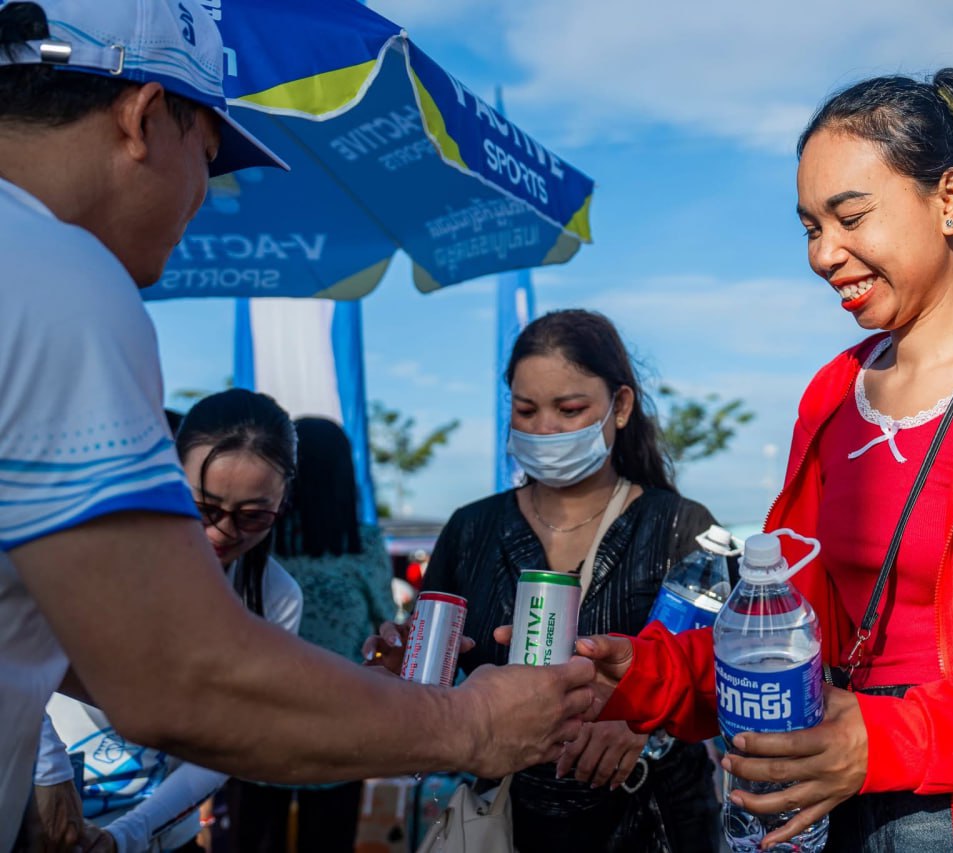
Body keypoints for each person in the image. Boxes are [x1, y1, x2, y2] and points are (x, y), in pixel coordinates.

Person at [0, 2, 592, 850]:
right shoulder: (59, 278)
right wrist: (471, 722)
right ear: (141, 118)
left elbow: (97, 656)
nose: (206, 197)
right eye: (209, 158)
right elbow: (175, 676)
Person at [575, 69, 953, 852]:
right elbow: (788, 625)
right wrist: (644, 675)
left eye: (850, 216)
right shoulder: (831, 399)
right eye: (808, 227)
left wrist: (896, 735)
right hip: (843, 807)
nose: (824, 253)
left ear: (949, 201)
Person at [425, 309, 721, 852]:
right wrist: (398, 664)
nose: (545, 429)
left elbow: (726, 675)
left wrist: (644, 726)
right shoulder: (471, 530)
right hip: (507, 822)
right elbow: (432, 671)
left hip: (655, 822)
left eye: (569, 409)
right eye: (525, 409)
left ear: (621, 407)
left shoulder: (684, 529)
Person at [37, 389, 305, 852]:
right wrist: (48, 773)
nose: (223, 532)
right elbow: (12, 659)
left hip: (158, 835)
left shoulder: (274, 597)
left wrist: (130, 833)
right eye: (204, 509)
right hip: (36, 819)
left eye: (254, 516)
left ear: (282, 503)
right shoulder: (89, 553)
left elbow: (229, 744)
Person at [224, 417, 397, 852]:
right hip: (339, 724)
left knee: (253, 841)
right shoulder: (362, 544)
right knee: (329, 841)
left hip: (258, 725)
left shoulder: (259, 538)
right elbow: (385, 620)